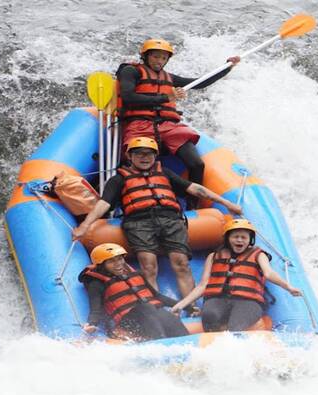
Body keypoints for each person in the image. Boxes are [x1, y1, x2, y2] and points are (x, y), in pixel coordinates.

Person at [72, 137, 243, 310]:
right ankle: (156, 309)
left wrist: (228, 204)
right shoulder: (119, 179)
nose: (145, 157)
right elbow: (104, 204)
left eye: (149, 154)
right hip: (138, 222)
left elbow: (195, 189)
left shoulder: (165, 173)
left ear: (155, 156)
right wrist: (85, 226)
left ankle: (190, 306)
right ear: (129, 156)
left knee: (181, 262)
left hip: (170, 219)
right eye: (139, 154)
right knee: (148, 264)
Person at [116, 38, 241, 209]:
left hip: (169, 126)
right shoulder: (131, 71)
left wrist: (226, 68)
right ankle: (123, 202)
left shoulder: (169, 78)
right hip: (140, 125)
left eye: (163, 58)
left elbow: (200, 82)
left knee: (197, 164)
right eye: (155, 57)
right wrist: (166, 98)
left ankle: (192, 205)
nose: (159, 61)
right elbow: (128, 97)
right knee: (127, 165)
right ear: (145, 56)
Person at [171, 219, 304, 332]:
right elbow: (203, 285)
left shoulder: (259, 255)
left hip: (248, 302)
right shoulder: (213, 256)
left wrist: (289, 287)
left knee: (235, 328)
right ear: (228, 239)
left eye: (244, 237)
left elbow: (269, 273)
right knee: (211, 317)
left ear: (250, 240)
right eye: (235, 237)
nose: (239, 240)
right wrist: (181, 305)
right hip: (218, 300)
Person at [79, 243, 189, 342]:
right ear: (101, 264)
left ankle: (185, 343)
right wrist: (92, 324)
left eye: (120, 259)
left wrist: (187, 307)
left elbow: (157, 296)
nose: (119, 264)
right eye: (112, 261)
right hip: (128, 322)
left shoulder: (136, 274)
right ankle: (159, 341)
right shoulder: (96, 284)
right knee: (146, 307)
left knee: (167, 316)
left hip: (150, 314)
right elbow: (95, 309)